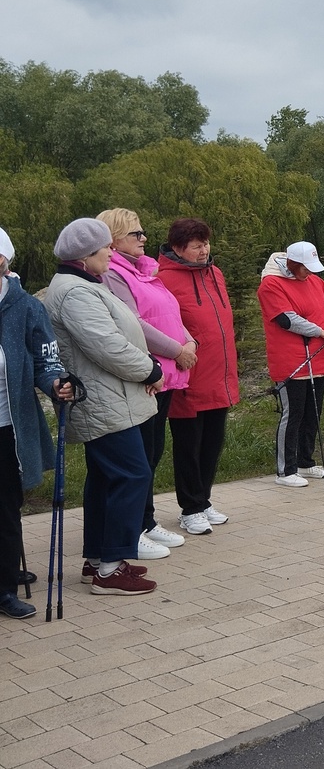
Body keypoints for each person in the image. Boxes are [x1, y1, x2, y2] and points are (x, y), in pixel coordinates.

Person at [43, 218, 164, 595]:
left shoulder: (82, 285)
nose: (111, 252)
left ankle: (98, 560)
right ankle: (110, 570)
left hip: (111, 400)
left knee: (106, 479)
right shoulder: (76, 293)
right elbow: (106, 346)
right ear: (84, 256)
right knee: (132, 475)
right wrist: (150, 369)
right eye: (105, 249)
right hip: (105, 403)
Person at [97, 208, 195, 559]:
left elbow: (171, 312)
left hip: (165, 373)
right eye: (136, 234)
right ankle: (133, 527)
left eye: (142, 233)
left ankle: (147, 519)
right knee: (139, 457)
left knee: (152, 452)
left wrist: (189, 341)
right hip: (146, 374)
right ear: (113, 239)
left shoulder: (147, 271)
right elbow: (133, 323)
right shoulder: (113, 274)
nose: (144, 239)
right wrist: (176, 350)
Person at [0, 227, 74, 619]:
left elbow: (47, 361)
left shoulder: (26, 307)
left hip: (7, 429)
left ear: (1, 261)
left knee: (6, 510)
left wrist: (57, 384)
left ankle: (5, 590)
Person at [156, 218, 240, 537]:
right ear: (178, 248)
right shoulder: (163, 279)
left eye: (206, 243)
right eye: (196, 245)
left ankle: (203, 501)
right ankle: (189, 508)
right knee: (189, 445)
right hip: (187, 377)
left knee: (212, 443)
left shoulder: (214, 273)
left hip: (219, 374)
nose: (204, 250)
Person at [257, 241, 324, 486]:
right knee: (293, 413)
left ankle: (305, 462)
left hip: (317, 359)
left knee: (312, 413)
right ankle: (285, 470)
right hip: (290, 362)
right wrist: (323, 332)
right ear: (293, 264)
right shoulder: (271, 284)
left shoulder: (314, 281)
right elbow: (287, 320)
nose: (310, 272)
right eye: (306, 267)